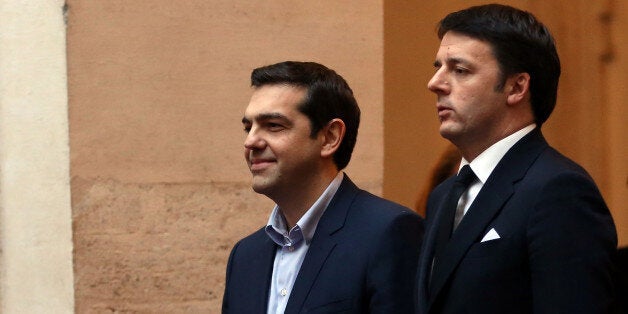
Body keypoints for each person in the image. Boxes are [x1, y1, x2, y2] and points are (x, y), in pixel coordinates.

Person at [415, 4, 617, 314]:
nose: (435, 83)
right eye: (438, 66)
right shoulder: (444, 194)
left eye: (460, 69)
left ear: (516, 87)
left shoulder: (559, 190)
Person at [222, 61, 424, 314]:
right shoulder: (245, 255)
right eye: (247, 127)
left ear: (329, 138)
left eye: (273, 125)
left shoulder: (389, 233)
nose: (250, 141)